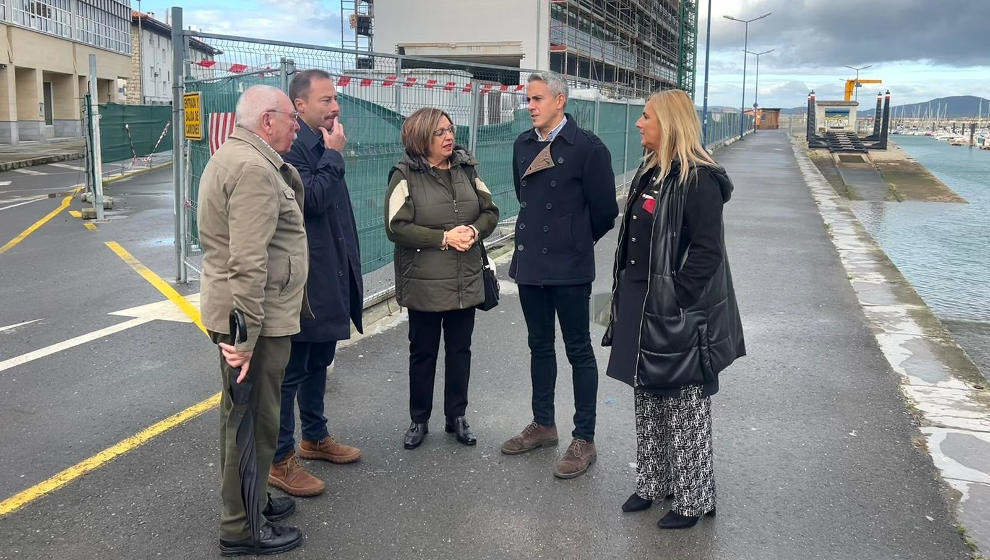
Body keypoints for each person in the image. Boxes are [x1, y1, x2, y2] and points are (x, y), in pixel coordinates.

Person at [603, 89, 745, 529]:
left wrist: (677, 299)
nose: (638, 123)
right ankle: (653, 483)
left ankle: (693, 499)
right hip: (639, 302)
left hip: (679, 310)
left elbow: (707, 253)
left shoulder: (698, 179)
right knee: (647, 393)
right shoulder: (652, 172)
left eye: (645, 117)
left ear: (667, 124)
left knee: (685, 404)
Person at [198, 85, 308, 556]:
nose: (296, 125)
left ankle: (254, 497)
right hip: (253, 322)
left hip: (250, 315)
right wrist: (245, 337)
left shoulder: (239, 157)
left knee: (246, 416)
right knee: (253, 422)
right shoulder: (253, 169)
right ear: (267, 120)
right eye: (290, 118)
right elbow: (247, 261)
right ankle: (241, 530)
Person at [500, 72, 619, 480]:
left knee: (578, 350)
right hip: (532, 264)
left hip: (569, 267)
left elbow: (605, 211)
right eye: (527, 100)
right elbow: (525, 197)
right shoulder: (523, 145)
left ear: (560, 101)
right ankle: (544, 424)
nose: (529, 106)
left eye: (536, 99)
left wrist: (573, 238)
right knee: (539, 346)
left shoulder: (587, 148)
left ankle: (584, 437)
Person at [268, 69, 363, 498]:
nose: (335, 106)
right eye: (325, 100)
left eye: (335, 98)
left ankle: (314, 437)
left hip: (330, 272)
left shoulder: (321, 144)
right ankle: (280, 458)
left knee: (319, 358)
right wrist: (334, 156)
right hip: (304, 280)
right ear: (299, 106)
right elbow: (313, 199)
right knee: (294, 367)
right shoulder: (296, 149)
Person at [384, 107, 499, 450]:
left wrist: (474, 232)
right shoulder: (404, 174)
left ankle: (456, 417)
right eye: (440, 132)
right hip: (425, 282)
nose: (449, 137)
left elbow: (490, 211)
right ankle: (419, 418)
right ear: (421, 138)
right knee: (423, 352)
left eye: (450, 130)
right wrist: (443, 238)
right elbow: (396, 226)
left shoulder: (466, 168)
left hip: (465, 278)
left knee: (460, 350)